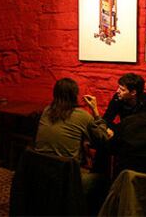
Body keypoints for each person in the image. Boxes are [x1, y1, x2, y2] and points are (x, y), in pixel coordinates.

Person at [35, 78, 112, 215]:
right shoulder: (82, 116)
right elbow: (103, 139)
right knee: (104, 180)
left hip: (41, 175)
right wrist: (95, 111)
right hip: (68, 180)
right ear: (75, 95)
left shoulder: (47, 111)